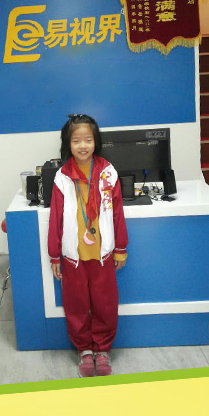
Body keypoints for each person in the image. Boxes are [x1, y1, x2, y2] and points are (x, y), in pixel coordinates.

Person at [47, 114, 128, 377]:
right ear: (68, 144)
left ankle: (102, 349)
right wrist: (55, 255)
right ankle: (84, 350)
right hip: (74, 255)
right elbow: (56, 219)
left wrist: (120, 248)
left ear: (96, 142)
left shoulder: (108, 172)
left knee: (105, 302)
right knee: (76, 304)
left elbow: (117, 213)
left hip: (102, 253)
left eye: (88, 140)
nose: (83, 146)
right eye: (76, 141)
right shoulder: (62, 177)